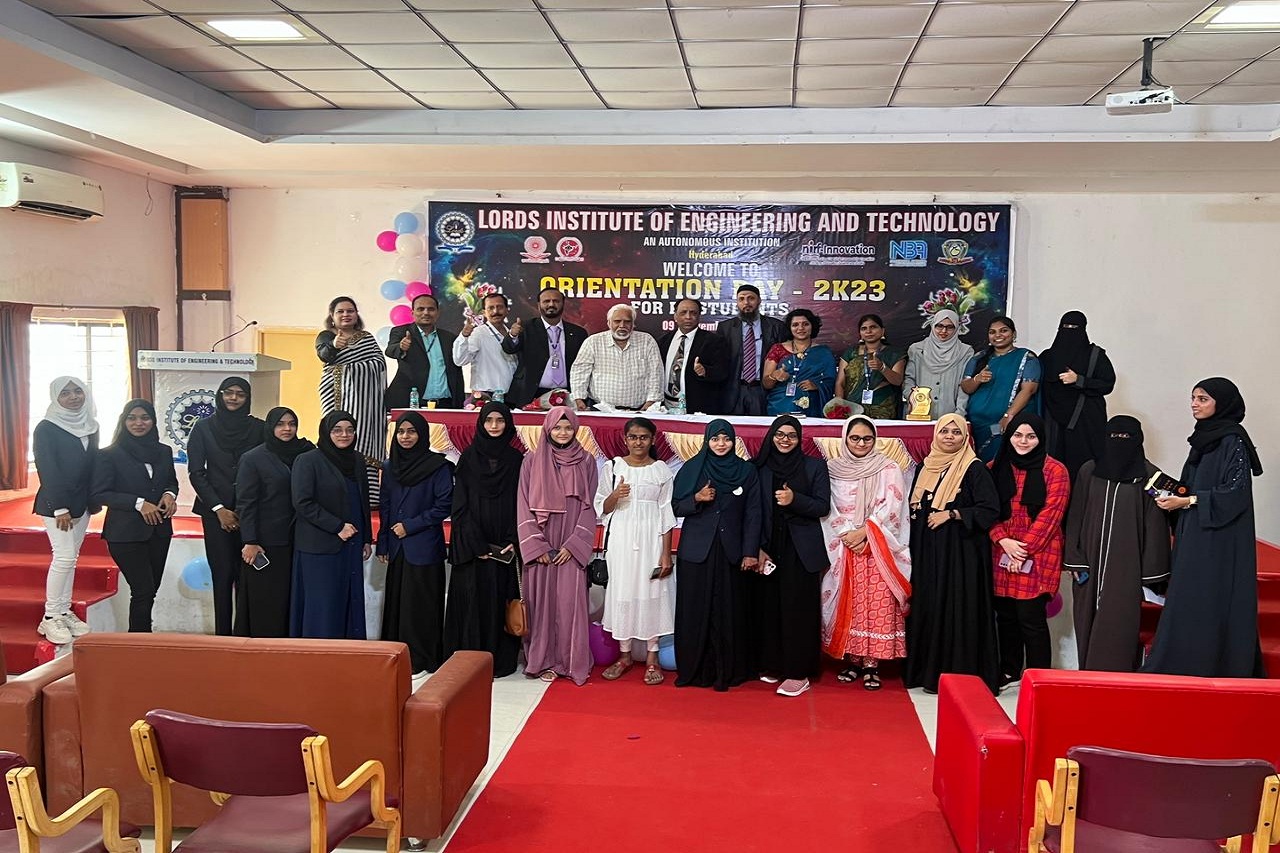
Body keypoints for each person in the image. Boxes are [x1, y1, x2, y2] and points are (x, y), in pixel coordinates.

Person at [1144, 378, 1265, 678]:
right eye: (1193, 398)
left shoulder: (1233, 440)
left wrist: (1187, 501)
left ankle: (1216, 664)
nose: (1194, 404)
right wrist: (1173, 494)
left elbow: (1235, 493)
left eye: (1203, 399)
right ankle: (1185, 663)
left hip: (1220, 537)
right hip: (1195, 530)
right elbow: (1193, 486)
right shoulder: (1202, 438)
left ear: (1221, 403)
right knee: (1189, 595)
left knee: (1210, 594)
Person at [902, 414, 1001, 694]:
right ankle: (926, 672)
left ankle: (959, 675)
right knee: (930, 606)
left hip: (960, 555)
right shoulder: (925, 465)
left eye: (956, 432)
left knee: (956, 608)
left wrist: (953, 514)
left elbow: (989, 509)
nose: (949, 437)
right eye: (944, 431)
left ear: (965, 438)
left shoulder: (973, 468)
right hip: (927, 553)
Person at [1064, 416, 1170, 672]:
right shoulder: (1090, 470)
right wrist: (1074, 559)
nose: (1120, 442)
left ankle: (1116, 678)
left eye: (1126, 437)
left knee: (1119, 622)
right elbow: (1076, 514)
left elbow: (1156, 526)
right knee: (1086, 620)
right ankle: (1087, 676)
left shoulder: (1150, 476)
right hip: (1089, 562)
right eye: (1114, 436)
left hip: (1127, 567)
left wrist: (1151, 573)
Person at [821, 416, 911, 691]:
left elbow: (893, 506)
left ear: (875, 440)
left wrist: (865, 532)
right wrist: (848, 534)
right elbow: (828, 506)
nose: (861, 443)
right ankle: (852, 660)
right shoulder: (832, 469)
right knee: (849, 603)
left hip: (878, 547)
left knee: (876, 604)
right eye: (855, 438)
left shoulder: (888, 467)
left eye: (867, 438)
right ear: (845, 438)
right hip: (843, 544)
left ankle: (872, 664)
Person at [671, 419, 762, 691]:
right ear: (707, 441)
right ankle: (696, 670)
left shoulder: (746, 470)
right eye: (715, 439)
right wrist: (696, 499)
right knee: (695, 609)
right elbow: (675, 506)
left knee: (730, 609)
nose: (721, 444)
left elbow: (754, 512)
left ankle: (729, 670)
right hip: (697, 550)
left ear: (734, 441)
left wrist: (750, 552)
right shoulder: (692, 468)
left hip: (732, 551)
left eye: (726, 439)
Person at [987, 411, 1071, 686]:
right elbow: (987, 510)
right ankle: (1009, 670)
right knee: (1005, 616)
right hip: (1001, 548)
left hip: (1039, 550)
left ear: (1041, 438)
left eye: (1031, 436)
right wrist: (1003, 541)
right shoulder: (994, 466)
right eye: (1018, 435)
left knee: (1030, 617)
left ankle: (1039, 676)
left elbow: (1051, 515)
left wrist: (1022, 550)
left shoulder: (1055, 470)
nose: (1023, 441)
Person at [517, 407, 599, 684]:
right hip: (541, 541)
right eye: (557, 427)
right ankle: (542, 660)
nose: (563, 432)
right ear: (547, 429)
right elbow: (522, 505)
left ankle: (569, 661)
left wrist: (574, 546)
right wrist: (537, 547)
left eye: (568, 427)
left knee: (568, 604)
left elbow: (589, 507)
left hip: (570, 544)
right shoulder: (532, 460)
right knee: (540, 606)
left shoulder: (586, 461)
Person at [751, 415, 831, 697]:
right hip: (768, 546)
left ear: (799, 439)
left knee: (798, 609)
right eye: (780, 434)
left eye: (792, 436)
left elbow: (822, 506)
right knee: (769, 607)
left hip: (800, 549)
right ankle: (773, 664)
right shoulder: (758, 467)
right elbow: (752, 510)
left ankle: (798, 672)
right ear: (772, 436)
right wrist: (756, 547)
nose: (785, 440)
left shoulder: (814, 466)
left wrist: (794, 499)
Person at [594, 417, 676, 686]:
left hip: (652, 540)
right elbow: (601, 508)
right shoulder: (613, 467)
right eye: (633, 437)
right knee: (624, 592)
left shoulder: (661, 470)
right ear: (625, 439)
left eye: (643, 437)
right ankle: (625, 655)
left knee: (652, 592)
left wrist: (666, 553)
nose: (638, 442)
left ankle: (653, 656)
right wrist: (615, 495)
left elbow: (666, 513)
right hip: (621, 540)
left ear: (652, 440)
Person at [445, 402, 524, 678]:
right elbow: (460, 504)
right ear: (481, 423)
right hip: (473, 547)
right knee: (472, 601)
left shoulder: (516, 460)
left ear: (508, 424)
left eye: (500, 420)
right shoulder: (468, 458)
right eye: (489, 420)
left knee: (499, 602)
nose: (494, 426)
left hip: (504, 546)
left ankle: (498, 661)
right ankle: (469, 661)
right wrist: (475, 543)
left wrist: (514, 538)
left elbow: (522, 502)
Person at [186, 376, 264, 636]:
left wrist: (244, 508)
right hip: (215, 513)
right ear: (220, 395)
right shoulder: (203, 428)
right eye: (228, 392)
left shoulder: (259, 428)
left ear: (248, 398)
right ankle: (222, 636)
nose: (233, 398)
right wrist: (219, 509)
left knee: (247, 575)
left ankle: (243, 633)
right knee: (221, 574)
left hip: (250, 511)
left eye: (240, 394)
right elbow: (197, 472)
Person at [91, 400, 178, 633]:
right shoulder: (109, 454)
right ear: (124, 421)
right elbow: (100, 493)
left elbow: (171, 481)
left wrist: (169, 495)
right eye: (132, 418)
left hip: (159, 530)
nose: (139, 423)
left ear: (153, 421)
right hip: (125, 533)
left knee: (151, 589)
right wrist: (138, 503)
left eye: (145, 418)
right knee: (143, 590)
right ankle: (139, 641)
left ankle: (140, 639)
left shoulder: (163, 451)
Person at [377, 411, 454, 674]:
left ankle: (421, 658)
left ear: (422, 434)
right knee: (398, 603)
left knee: (421, 605)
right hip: (397, 547)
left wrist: (410, 526)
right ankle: (397, 657)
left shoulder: (438, 466)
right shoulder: (390, 466)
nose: (405, 437)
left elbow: (444, 505)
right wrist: (383, 541)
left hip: (423, 546)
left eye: (411, 431)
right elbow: (386, 505)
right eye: (401, 431)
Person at [290, 411, 372, 640]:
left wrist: (366, 538)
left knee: (349, 600)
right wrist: (337, 527)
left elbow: (362, 501)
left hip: (351, 544)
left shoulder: (357, 460)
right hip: (320, 546)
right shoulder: (308, 460)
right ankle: (321, 655)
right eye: (337, 430)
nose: (344, 435)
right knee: (323, 605)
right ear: (326, 432)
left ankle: (348, 653)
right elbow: (302, 502)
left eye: (349, 430)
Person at [32, 376, 99, 644]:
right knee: (64, 556)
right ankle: (50, 616)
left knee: (72, 557)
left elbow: (93, 465)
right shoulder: (46, 428)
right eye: (65, 393)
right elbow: (47, 468)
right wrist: (60, 507)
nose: (73, 397)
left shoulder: (91, 425)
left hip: (82, 503)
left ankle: (63, 610)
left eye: (77, 391)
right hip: (56, 504)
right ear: (55, 397)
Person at [235, 407, 313, 638]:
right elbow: (246, 503)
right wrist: (250, 540)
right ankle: (265, 646)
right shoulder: (253, 458)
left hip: (301, 539)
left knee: (293, 597)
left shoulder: (308, 452)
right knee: (267, 598)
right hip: (267, 542)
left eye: (292, 423)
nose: (287, 429)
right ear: (270, 427)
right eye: (280, 424)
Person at [316, 296, 387, 504]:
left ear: (356, 315)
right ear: (332, 316)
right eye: (340, 311)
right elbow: (323, 355)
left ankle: (368, 496)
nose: (346, 315)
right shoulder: (326, 336)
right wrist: (334, 345)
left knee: (363, 435)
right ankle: (335, 492)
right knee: (335, 431)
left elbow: (379, 363)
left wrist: (353, 370)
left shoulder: (366, 338)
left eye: (350, 311)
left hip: (366, 404)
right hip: (333, 393)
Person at [1037, 311, 1116, 480]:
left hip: (1085, 421)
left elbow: (1107, 384)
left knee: (1083, 467)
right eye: (1066, 327)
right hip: (1052, 422)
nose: (1070, 331)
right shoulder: (1047, 357)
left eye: (1075, 327)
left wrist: (1079, 380)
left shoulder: (1095, 356)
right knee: (1051, 468)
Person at [961, 316, 1041, 462]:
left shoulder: (1026, 358)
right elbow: (966, 387)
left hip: (1007, 423)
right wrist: (977, 379)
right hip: (977, 423)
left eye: (1003, 331)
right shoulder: (979, 358)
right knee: (980, 465)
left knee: (1003, 464)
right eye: (992, 332)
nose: (998, 335)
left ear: (1013, 334)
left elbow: (1029, 390)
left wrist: (1008, 416)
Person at [501, 286, 588, 408]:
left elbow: (583, 366)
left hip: (567, 396)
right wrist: (513, 335)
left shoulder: (578, 333)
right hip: (530, 394)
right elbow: (508, 348)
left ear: (563, 304)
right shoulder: (525, 327)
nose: (551, 304)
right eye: (546, 301)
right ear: (539, 305)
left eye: (556, 301)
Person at [570, 304, 663, 411]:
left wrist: (651, 402)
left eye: (627, 321)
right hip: (600, 410)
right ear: (609, 323)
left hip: (639, 411)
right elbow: (580, 371)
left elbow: (656, 373)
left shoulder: (647, 341)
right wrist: (579, 398)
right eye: (617, 321)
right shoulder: (593, 342)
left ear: (633, 324)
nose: (622, 325)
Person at [716, 284, 787, 416]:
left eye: (751, 298)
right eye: (741, 299)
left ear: (759, 301)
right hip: (734, 391)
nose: (746, 303)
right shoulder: (725, 327)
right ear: (737, 302)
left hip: (763, 390)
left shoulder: (776, 326)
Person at [386, 293, 464, 409]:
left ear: (438, 313)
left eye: (431, 309)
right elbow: (390, 350)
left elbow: (456, 371)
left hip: (444, 403)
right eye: (420, 309)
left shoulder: (449, 338)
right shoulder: (401, 332)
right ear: (412, 313)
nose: (426, 313)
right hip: (412, 402)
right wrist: (401, 347)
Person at [657, 298, 730, 414]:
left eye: (693, 313)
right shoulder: (663, 341)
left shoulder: (714, 341)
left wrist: (705, 371)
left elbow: (722, 372)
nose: (688, 317)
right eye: (683, 312)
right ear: (675, 316)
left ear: (699, 316)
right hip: (665, 406)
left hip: (697, 408)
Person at [762, 308, 837, 417]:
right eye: (795, 325)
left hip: (812, 407)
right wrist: (774, 376)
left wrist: (816, 385)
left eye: (805, 324)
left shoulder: (823, 352)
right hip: (780, 406)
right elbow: (766, 384)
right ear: (789, 328)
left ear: (812, 326)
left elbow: (831, 381)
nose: (800, 328)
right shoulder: (777, 349)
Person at [903, 309, 974, 420]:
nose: (944, 331)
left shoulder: (965, 352)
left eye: (950, 327)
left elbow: (964, 385)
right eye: (939, 326)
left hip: (950, 413)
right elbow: (909, 379)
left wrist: (959, 414)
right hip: (918, 414)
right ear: (933, 326)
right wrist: (912, 399)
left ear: (957, 328)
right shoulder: (917, 349)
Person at [834, 314, 907, 420]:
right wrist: (840, 406)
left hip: (883, 408)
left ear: (882, 331)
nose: (868, 331)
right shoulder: (850, 353)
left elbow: (898, 381)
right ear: (860, 333)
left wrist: (882, 368)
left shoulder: (894, 354)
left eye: (873, 327)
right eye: (864, 328)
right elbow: (840, 383)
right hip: (852, 408)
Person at [453, 292, 518, 400]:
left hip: (512, 395)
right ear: (484, 312)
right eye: (490, 308)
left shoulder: (512, 334)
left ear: (507, 310)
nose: (495, 311)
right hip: (486, 396)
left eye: (500, 307)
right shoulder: (478, 333)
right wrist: (464, 336)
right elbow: (460, 361)